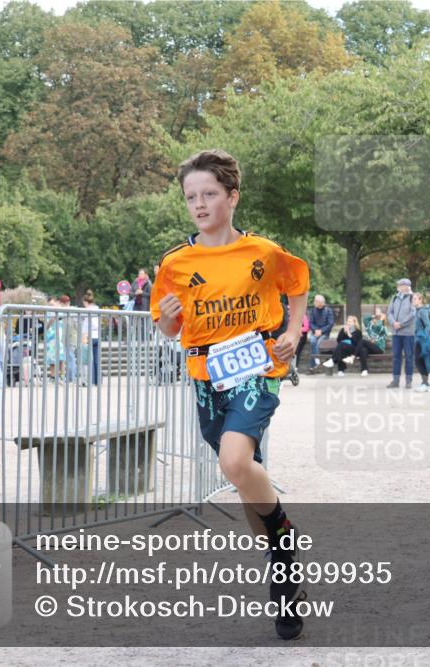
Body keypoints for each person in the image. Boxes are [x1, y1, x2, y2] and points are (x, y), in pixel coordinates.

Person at [150, 149, 310, 640]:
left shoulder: (262, 252)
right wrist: (171, 318)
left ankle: (283, 539)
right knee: (241, 475)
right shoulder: (176, 262)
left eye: (209, 194)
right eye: (191, 197)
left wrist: (293, 333)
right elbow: (167, 330)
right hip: (206, 376)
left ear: (232, 197)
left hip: (258, 366)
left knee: (235, 462)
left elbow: (297, 285)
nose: (199, 204)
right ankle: (284, 574)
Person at [387, 278, 416, 389]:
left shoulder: (412, 297)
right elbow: (389, 312)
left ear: (406, 286)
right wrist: (394, 322)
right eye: (398, 284)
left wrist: (401, 324)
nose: (398, 286)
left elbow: (412, 313)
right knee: (396, 357)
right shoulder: (394, 297)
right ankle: (395, 380)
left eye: (400, 284)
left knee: (409, 357)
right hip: (396, 333)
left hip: (408, 333)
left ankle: (408, 381)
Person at [412, 292, 430, 392]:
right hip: (418, 338)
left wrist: (424, 337)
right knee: (420, 361)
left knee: (418, 361)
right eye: (413, 299)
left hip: (421, 339)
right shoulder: (418, 311)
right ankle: (424, 383)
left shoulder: (422, 311)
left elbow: (428, 326)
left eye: (415, 299)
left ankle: (426, 384)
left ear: (420, 300)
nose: (413, 301)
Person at [306, 294, 335, 371]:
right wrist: (316, 330)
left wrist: (321, 331)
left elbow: (330, 323)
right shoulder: (313, 310)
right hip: (315, 332)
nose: (314, 302)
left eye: (316, 301)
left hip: (325, 333)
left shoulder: (328, 311)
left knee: (319, 343)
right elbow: (311, 323)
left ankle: (313, 365)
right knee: (312, 341)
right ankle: (317, 360)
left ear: (321, 302)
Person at [81, 290, 101, 386]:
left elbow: (83, 324)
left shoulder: (86, 310)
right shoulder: (97, 308)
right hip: (97, 335)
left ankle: (88, 380)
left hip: (88, 335)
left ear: (85, 302)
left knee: (87, 359)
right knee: (96, 359)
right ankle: (97, 380)